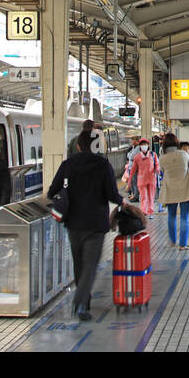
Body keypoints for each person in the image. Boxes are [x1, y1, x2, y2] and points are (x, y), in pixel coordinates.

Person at [47, 120, 125, 321]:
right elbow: (112, 194)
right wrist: (124, 203)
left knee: (79, 263)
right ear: (97, 145)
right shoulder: (103, 165)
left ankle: (84, 300)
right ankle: (81, 303)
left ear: (79, 145)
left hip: (73, 223)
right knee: (91, 264)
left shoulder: (68, 165)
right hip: (96, 224)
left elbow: (52, 191)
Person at [158, 133, 189, 249]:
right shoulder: (183, 154)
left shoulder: (162, 158)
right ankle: (183, 244)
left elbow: (162, 171)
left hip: (170, 190)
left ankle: (172, 241)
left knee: (171, 215)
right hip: (185, 190)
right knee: (184, 217)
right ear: (177, 143)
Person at [122, 137, 160, 216]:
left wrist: (157, 170)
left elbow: (157, 164)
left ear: (148, 145)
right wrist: (129, 183)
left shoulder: (153, 155)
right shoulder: (137, 157)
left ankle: (150, 210)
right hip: (141, 180)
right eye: (142, 144)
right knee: (143, 196)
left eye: (145, 144)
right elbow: (132, 170)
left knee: (151, 196)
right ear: (139, 146)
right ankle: (143, 211)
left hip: (152, 180)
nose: (144, 146)